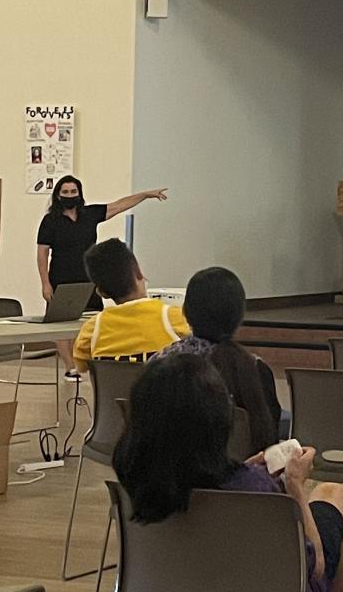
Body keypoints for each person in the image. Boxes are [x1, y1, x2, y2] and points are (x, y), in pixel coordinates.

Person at [113, 354, 343, 592]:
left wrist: (246, 472)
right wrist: (294, 489)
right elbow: (315, 567)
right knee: (334, 494)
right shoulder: (254, 488)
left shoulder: (133, 489)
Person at [36, 175, 167, 369]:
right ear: (58, 195)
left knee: (91, 320)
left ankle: (86, 363)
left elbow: (119, 205)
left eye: (73, 191)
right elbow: (42, 253)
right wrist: (45, 283)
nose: (70, 195)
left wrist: (145, 195)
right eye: (65, 192)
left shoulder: (90, 214)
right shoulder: (50, 221)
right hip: (60, 279)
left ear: (79, 193)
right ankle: (71, 368)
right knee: (60, 324)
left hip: (89, 279)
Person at [153, 266, 281, 455]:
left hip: (164, 470)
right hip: (235, 471)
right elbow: (267, 442)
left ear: (186, 311)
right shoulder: (255, 369)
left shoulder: (158, 363)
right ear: (239, 315)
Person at [72, 239, 189, 370]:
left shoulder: (92, 330)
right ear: (138, 272)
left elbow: (81, 367)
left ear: (101, 293)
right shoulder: (177, 318)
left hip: (114, 384)